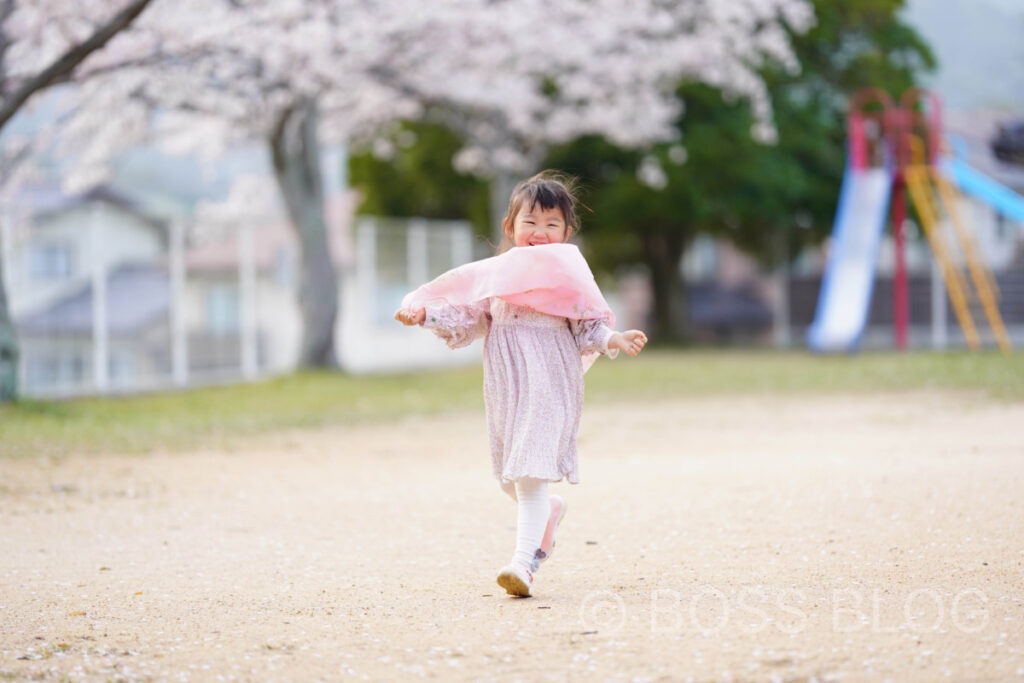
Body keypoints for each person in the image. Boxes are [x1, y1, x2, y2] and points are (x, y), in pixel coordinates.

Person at [395, 171, 647, 597]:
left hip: (550, 381)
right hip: (507, 384)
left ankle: (523, 563)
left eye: (552, 225)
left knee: (530, 470)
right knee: (510, 478)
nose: (540, 233)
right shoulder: (498, 276)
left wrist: (613, 338)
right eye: (530, 222)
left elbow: (588, 326)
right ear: (510, 228)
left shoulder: (569, 277)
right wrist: (427, 315)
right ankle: (548, 511)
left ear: (567, 233)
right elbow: (470, 318)